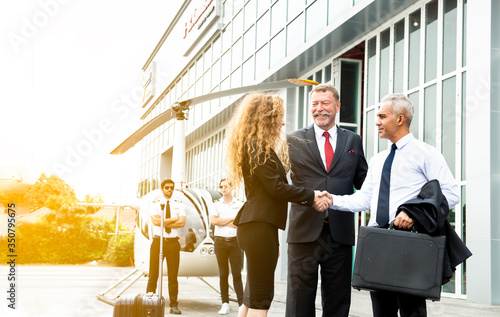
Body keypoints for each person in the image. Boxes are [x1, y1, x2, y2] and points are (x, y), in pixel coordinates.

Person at [329, 93, 460, 317]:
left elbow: (450, 192)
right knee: (382, 312)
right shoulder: (378, 159)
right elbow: (363, 199)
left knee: (412, 312)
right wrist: (330, 200)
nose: (376, 122)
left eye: (382, 116)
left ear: (400, 119)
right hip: (377, 244)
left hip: (409, 244)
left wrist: (415, 214)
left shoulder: (426, 154)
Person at [225, 92, 331, 317]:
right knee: (261, 298)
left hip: (259, 227)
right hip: (258, 227)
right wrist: (312, 195)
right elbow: (277, 189)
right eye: (279, 117)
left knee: (252, 295)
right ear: (265, 117)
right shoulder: (256, 147)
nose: (283, 122)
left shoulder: (255, 146)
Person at [286, 83, 368, 317]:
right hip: (303, 231)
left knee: (338, 300)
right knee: (298, 300)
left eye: (325, 103)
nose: (319, 109)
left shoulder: (353, 141)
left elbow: (364, 183)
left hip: (339, 233)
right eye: (315, 104)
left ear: (337, 106)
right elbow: (280, 184)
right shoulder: (293, 140)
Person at [146, 179, 186, 315]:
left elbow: (182, 223)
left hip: (173, 242)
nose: (169, 190)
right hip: (158, 242)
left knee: (173, 276)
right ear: (162, 189)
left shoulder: (179, 205)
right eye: (167, 187)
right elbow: (155, 222)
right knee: (153, 274)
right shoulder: (156, 204)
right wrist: (173, 219)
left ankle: (174, 305)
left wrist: (163, 222)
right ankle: (149, 303)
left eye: (171, 188)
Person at [210, 178, 245, 315]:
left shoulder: (240, 204)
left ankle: (242, 304)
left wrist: (222, 221)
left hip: (235, 242)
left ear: (232, 187)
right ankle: (225, 303)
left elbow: (240, 223)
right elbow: (214, 221)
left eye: (226, 186)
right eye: (221, 186)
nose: (223, 188)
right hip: (220, 242)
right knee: (223, 274)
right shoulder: (216, 205)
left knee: (237, 274)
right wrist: (231, 219)